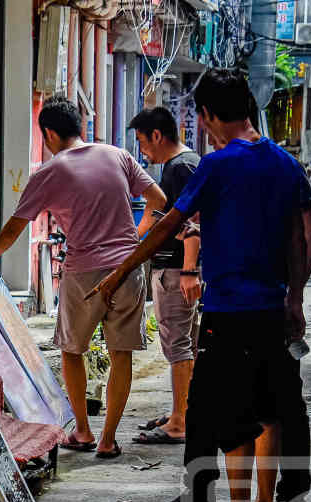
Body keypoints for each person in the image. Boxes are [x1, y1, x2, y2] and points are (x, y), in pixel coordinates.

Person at [88, 69, 311, 502]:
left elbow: (167, 225)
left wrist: (117, 272)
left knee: (230, 416)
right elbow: (307, 235)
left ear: (209, 116)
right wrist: (294, 296)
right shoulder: (286, 164)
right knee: (272, 413)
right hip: (274, 310)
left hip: (229, 312)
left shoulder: (217, 165)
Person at [0, 94, 167, 459]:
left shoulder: (49, 172)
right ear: (79, 126)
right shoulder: (118, 156)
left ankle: (83, 430)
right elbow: (158, 199)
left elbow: (16, 226)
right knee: (121, 353)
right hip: (128, 268)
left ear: (48, 133)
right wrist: (135, 238)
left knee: (72, 351)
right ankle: (109, 439)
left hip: (84, 274)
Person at [126, 107, 201, 445]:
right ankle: (182, 412)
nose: (144, 151)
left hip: (175, 268)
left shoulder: (181, 167)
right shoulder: (184, 165)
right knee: (185, 343)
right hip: (175, 266)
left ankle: (181, 421)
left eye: (143, 142)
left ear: (157, 135)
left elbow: (193, 222)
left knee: (179, 345)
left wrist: (188, 270)